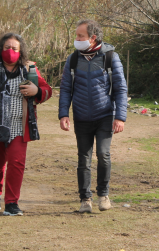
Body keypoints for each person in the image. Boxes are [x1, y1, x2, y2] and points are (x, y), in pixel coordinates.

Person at [0, 33, 52, 216]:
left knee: (17, 162)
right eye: (7, 47)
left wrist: (36, 90)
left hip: (20, 125)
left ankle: (12, 202)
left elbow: (47, 90)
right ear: (0, 49)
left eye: (14, 48)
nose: (10, 51)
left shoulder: (30, 68)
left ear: (21, 51)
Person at [59, 19, 127, 213]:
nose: (77, 39)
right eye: (77, 35)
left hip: (104, 115)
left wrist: (120, 117)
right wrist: (63, 114)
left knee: (103, 155)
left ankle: (103, 195)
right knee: (83, 158)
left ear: (93, 38)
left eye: (80, 36)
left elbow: (121, 89)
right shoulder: (72, 60)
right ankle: (85, 199)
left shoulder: (110, 57)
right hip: (81, 117)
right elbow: (65, 89)